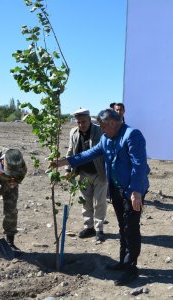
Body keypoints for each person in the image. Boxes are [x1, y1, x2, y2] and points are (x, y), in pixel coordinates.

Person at [54, 109, 150, 286]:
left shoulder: (132, 135)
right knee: (123, 227)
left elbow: (139, 165)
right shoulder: (106, 138)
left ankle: (131, 269)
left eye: (104, 127)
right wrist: (65, 162)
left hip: (132, 191)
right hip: (116, 188)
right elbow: (89, 154)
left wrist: (136, 192)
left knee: (131, 228)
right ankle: (123, 261)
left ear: (113, 123)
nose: (102, 130)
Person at [65, 108, 108, 242]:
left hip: (100, 173)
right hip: (83, 173)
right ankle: (89, 227)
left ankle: (99, 229)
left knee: (99, 203)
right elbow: (71, 151)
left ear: (90, 119)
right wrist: (67, 169)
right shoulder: (73, 132)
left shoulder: (100, 131)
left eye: (83, 121)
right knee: (85, 202)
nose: (81, 125)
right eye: (78, 122)